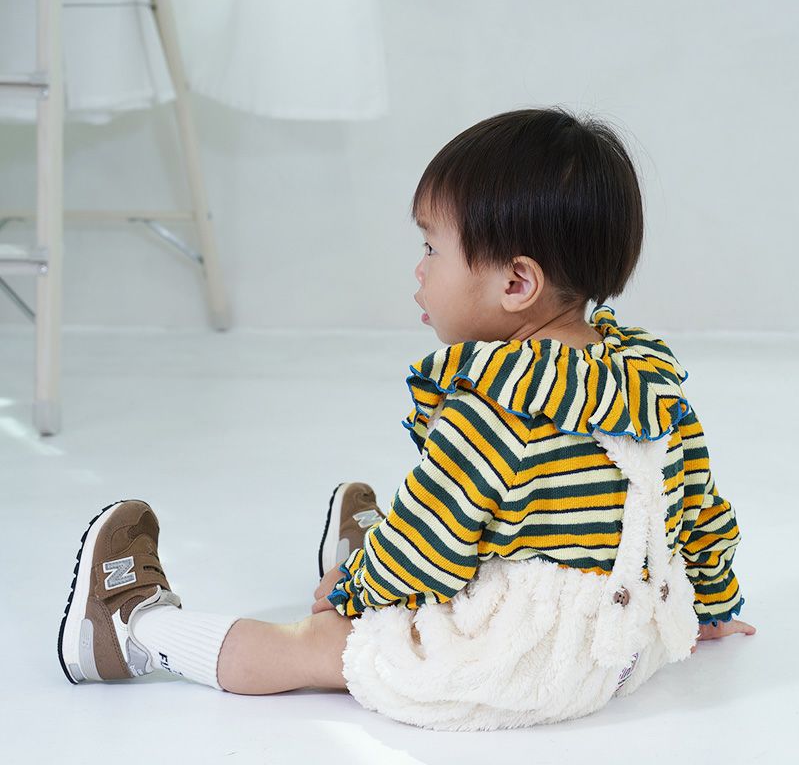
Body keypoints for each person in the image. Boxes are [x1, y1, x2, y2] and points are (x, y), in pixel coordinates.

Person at [57, 107, 756, 730]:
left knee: (320, 646)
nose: (420, 271)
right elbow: (697, 505)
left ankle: (132, 631)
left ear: (517, 283)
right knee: (469, 537)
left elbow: (430, 542)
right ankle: (370, 553)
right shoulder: (648, 380)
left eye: (431, 248)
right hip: (624, 650)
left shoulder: (498, 407)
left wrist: (355, 593)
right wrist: (715, 604)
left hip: (510, 663)